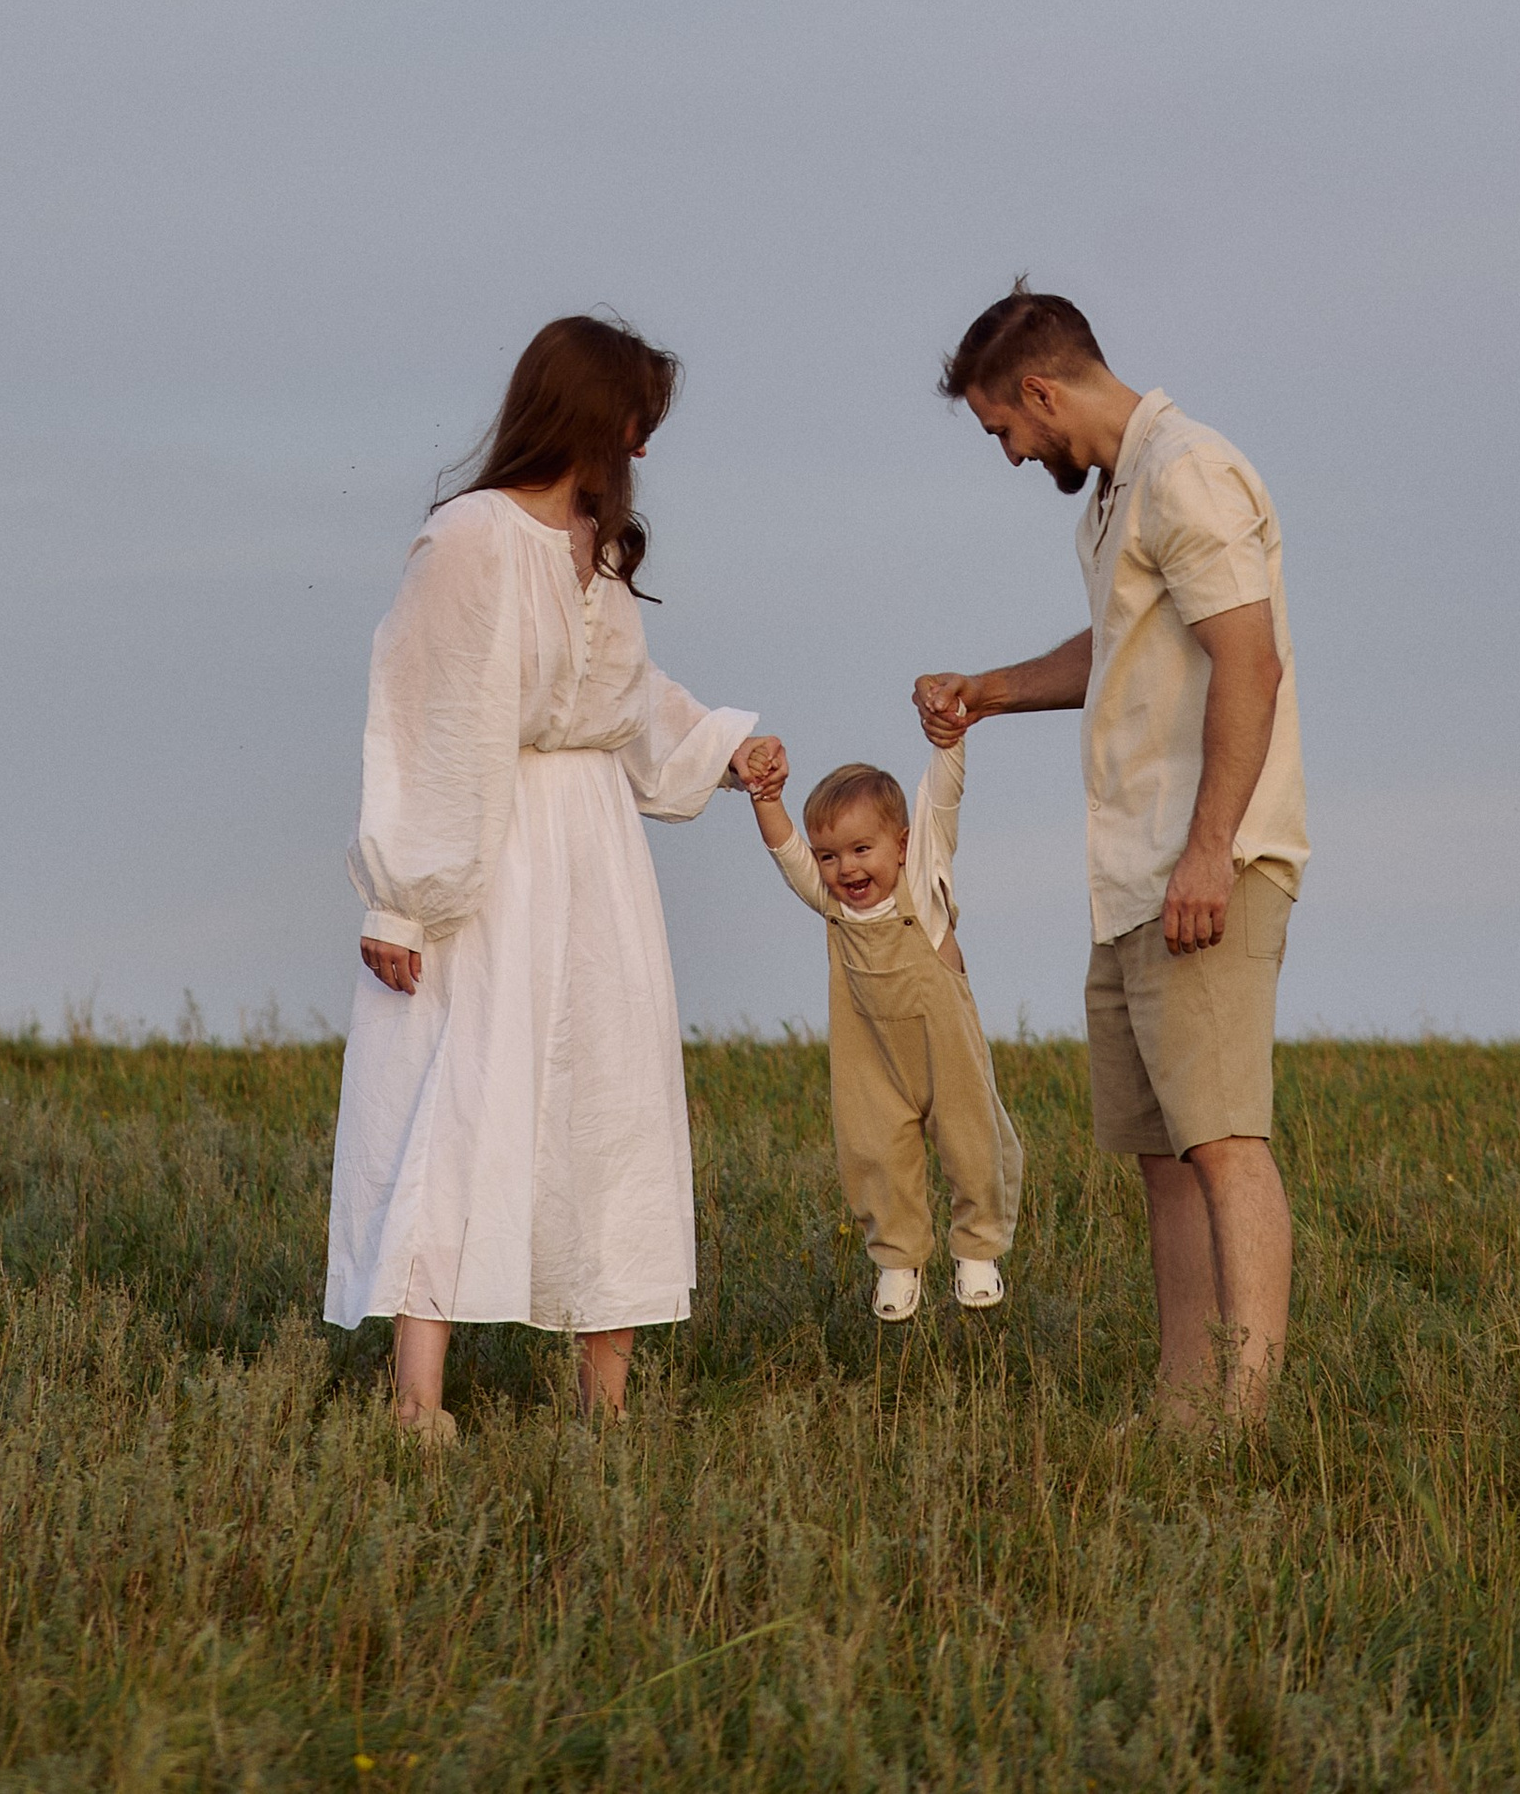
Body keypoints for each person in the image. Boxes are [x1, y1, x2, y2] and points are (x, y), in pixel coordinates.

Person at [323, 313, 782, 1439]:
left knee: (608, 1101)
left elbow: (627, 699)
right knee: (460, 1094)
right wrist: (404, 896)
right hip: (490, 850)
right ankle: (416, 1401)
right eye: (637, 420)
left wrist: (722, 749)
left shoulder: (597, 546)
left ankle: (604, 1402)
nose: (644, 444)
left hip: (595, 859)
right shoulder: (471, 538)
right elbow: (423, 715)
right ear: (591, 413)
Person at [913, 283, 1306, 1418]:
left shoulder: (1186, 467)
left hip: (1203, 866)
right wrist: (988, 691)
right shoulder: (1112, 500)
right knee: (1162, 1156)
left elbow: (1251, 661)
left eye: (1004, 429)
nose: (1010, 452)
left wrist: (1208, 853)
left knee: (1224, 1143)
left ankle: (1247, 1416)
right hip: (1132, 873)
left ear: (1040, 390)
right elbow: (1127, 644)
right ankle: (1186, 1403)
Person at [742, 743, 1023, 1322]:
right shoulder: (832, 906)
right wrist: (766, 798)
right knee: (872, 1149)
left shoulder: (922, 878)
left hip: (944, 1052)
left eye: (861, 849)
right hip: (869, 1054)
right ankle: (898, 1261)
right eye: (830, 856)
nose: (846, 869)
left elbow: (942, 796)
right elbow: (784, 849)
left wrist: (950, 737)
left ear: (902, 843)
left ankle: (977, 1251)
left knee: (973, 1141)